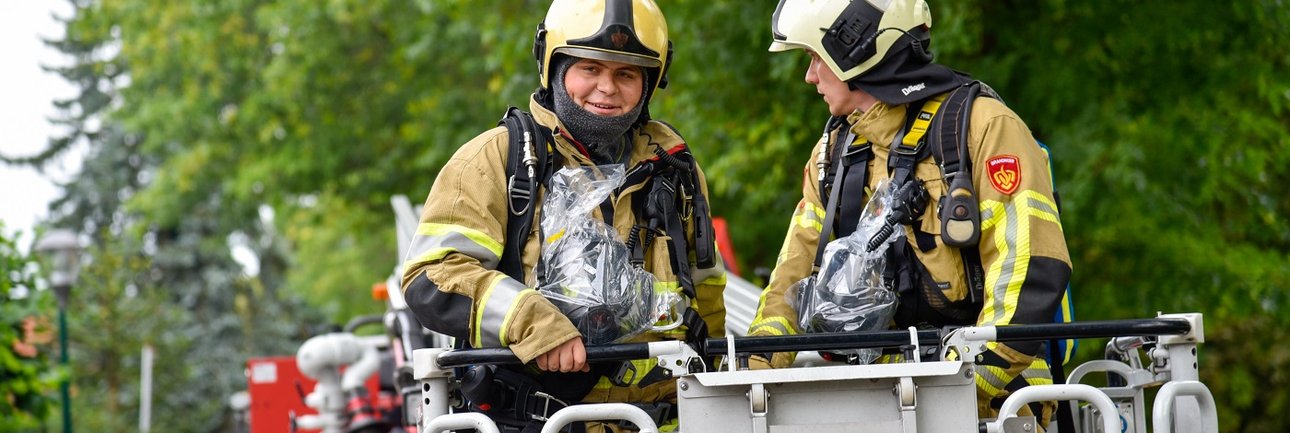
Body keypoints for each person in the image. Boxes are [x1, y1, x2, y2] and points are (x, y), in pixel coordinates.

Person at [400, 0, 726, 431]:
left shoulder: (675, 169)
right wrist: (530, 320)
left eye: (626, 73)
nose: (607, 88)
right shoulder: (497, 159)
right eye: (589, 69)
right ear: (553, 67)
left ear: (651, 82)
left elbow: (707, 297)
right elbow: (430, 276)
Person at [748, 0, 1071, 429]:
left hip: (991, 407)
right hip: (875, 402)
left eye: (814, 58)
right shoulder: (833, 153)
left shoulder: (983, 126)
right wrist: (752, 373)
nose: (810, 76)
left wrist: (954, 388)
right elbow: (791, 277)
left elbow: (1031, 270)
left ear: (856, 50)